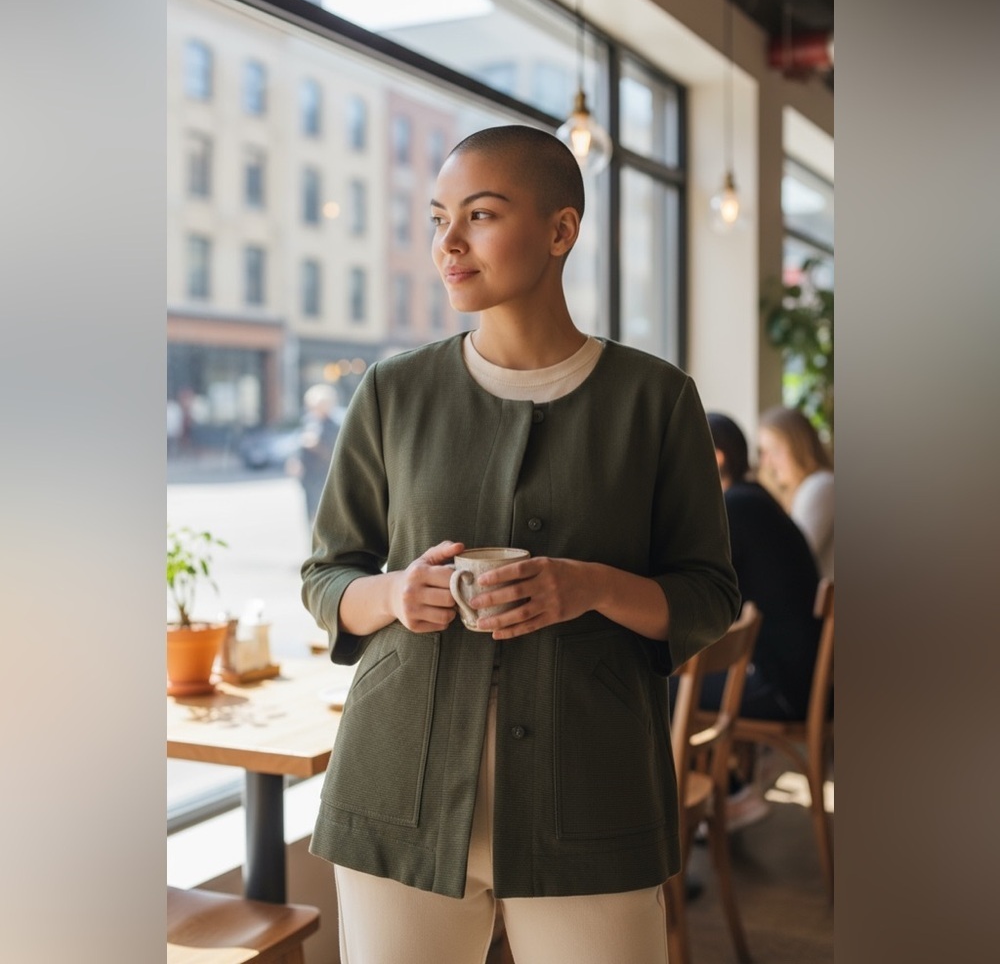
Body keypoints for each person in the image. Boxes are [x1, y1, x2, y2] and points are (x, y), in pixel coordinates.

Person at [301, 125, 740, 964]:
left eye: (480, 214)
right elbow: (328, 574)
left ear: (560, 230)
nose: (448, 243)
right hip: (398, 791)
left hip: (594, 799)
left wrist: (592, 587)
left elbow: (710, 594)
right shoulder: (394, 391)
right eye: (438, 219)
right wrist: (396, 594)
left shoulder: (656, 399)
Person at [687, 413, 824, 832]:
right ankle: (722, 792)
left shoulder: (735, 509)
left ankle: (718, 799)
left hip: (783, 685)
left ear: (714, 457)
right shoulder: (755, 501)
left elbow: (700, 597)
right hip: (804, 676)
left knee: (658, 690)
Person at [757, 405, 834, 578]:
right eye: (763, 453)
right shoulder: (797, 492)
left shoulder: (820, 485)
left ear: (800, 447)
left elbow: (790, 558)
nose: (767, 463)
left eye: (775, 451)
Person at [287, 383, 340, 527]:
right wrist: (295, 460)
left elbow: (336, 453)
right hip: (309, 474)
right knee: (310, 512)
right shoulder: (308, 421)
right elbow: (298, 444)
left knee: (325, 512)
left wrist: (317, 446)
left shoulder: (334, 426)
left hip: (324, 475)